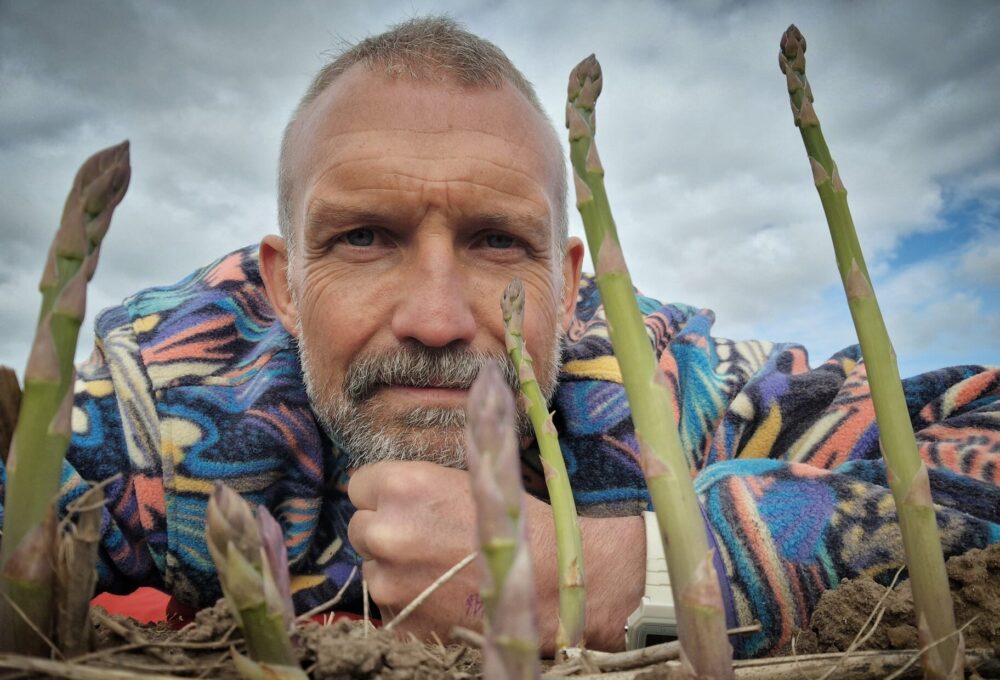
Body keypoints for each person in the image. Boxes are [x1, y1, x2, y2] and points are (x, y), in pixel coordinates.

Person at [1, 16, 998, 659]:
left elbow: (976, 437)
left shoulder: (664, 387)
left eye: (493, 242)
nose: (437, 317)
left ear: (569, 286)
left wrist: (611, 568)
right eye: (363, 237)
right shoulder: (169, 402)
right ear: (283, 284)